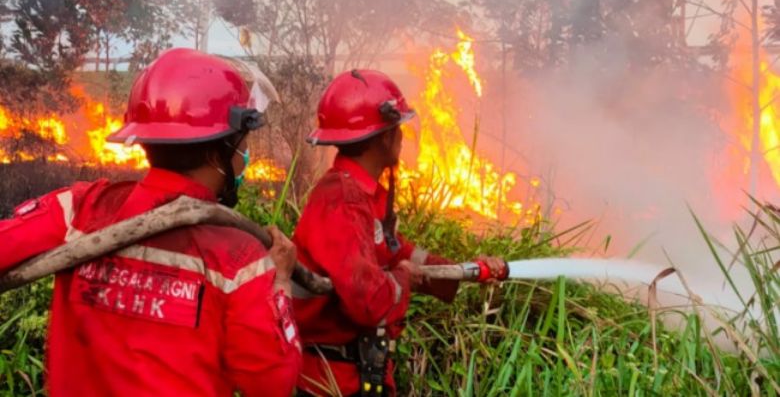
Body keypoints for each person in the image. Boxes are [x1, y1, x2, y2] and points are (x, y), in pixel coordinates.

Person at [0, 49, 302, 397]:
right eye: (241, 145)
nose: (243, 157)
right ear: (214, 152)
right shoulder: (239, 257)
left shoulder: (80, 210)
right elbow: (272, 383)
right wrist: (279, 282)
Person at [292, 69, 505, 396]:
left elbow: (399, 253)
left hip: (359, 374)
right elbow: (368, 300)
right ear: (382, 137)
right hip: (332, 383)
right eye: (398, 129)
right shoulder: (341, 201)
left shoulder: (364, 196)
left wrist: (465, 271)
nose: (403, 138)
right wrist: (406, 277)